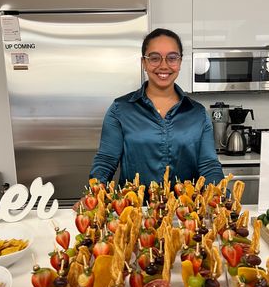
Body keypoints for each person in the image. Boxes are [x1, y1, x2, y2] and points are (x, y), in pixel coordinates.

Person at [90, 28, 224, 191]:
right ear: (144, 63)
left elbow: (209, 166)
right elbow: (106, 161)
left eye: (172, 58)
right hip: (133, 212)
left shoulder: (198, 114)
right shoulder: (120, 110)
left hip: (184, 213)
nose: (163, 65)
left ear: (180, 62)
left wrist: (219, 196)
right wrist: (94, 195)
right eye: (154, 58)